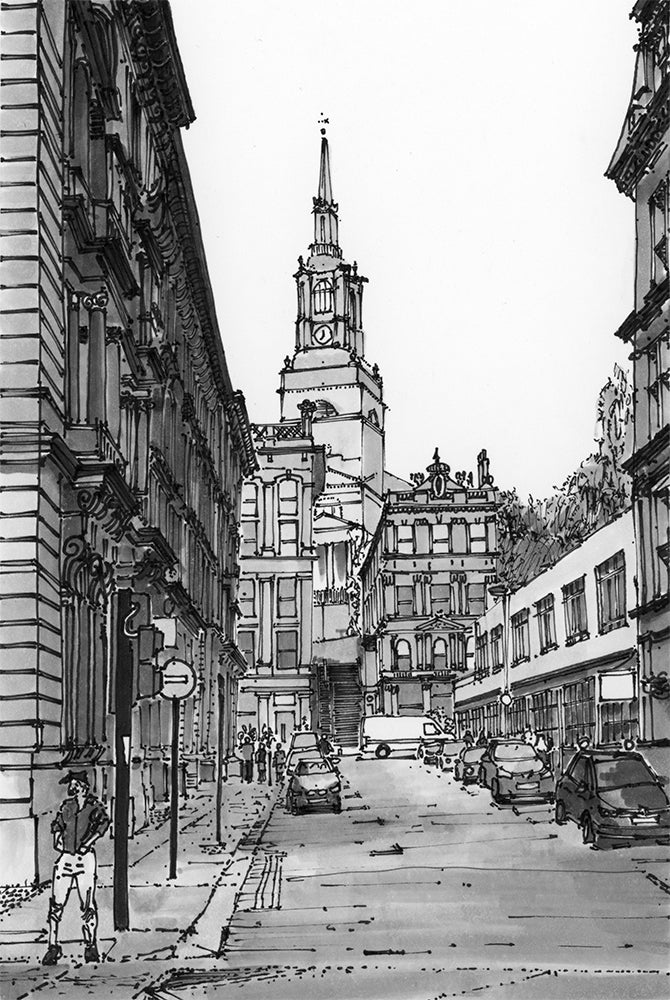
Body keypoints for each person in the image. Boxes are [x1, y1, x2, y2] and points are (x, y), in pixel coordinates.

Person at [42, 770, 110, 966]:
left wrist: (88, 842)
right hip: (65, 858)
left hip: (84, 859)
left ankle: (90, 945)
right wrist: (56, 837)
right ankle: (53, 946)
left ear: (83, 786)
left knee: (87, 903)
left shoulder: (94, 806)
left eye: (75, 784)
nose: (72, 787)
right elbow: (57, 824)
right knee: (56, 903)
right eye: (71, 784)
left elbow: (103, 824)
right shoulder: (67, 806)